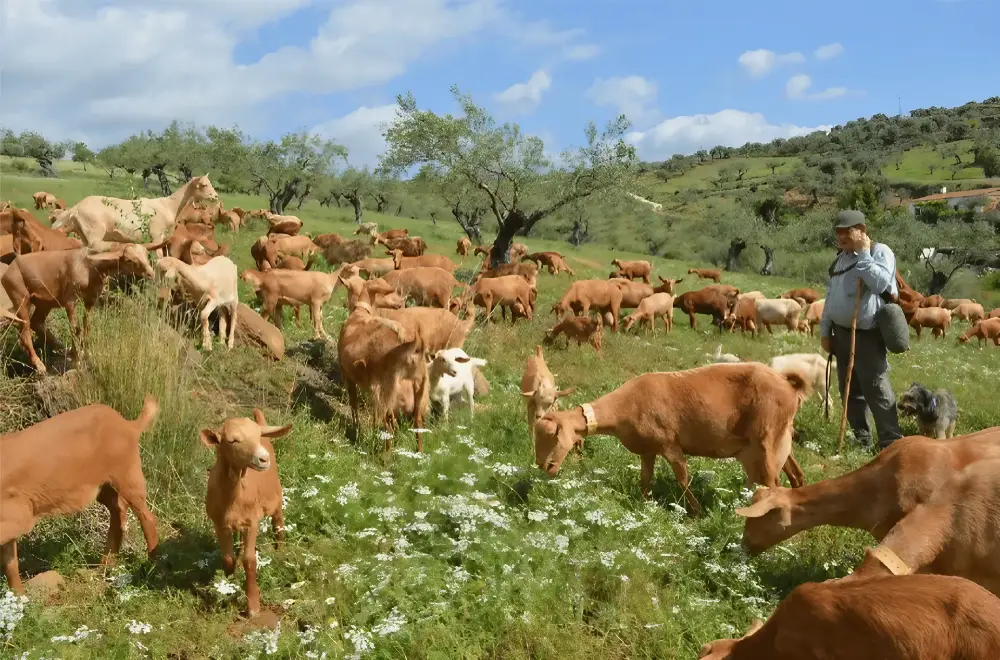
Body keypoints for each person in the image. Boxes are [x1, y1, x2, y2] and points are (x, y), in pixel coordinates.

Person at [819, 209, 904, 450]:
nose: (841, 237)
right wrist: (825, 331)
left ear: (862, 230)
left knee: (875, 387)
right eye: (838, 232)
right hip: (841, 333)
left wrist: (864, 253)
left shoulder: (880, 252)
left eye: (847, 231)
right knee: (849, 388)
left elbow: (880, 284)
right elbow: (831, 297)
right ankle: (862, 439)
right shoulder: (841, 258)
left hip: (866, 334)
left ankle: (890, 442)